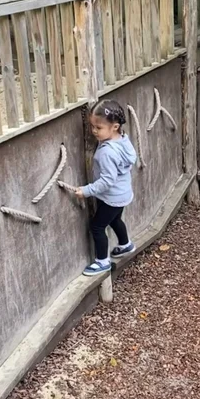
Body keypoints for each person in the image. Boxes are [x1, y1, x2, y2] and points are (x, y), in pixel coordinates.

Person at [70, 99, 138, 276]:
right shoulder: (123, 140)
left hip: (111, 197)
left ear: (114, 127)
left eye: (98, 128)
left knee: (97, 227)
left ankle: (102, 261)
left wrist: (86, 191)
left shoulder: (107, 152)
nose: (94, 131)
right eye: (92, 126)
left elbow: (107, 181)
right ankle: (125, 244)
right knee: (115, 220)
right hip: (123, 194)